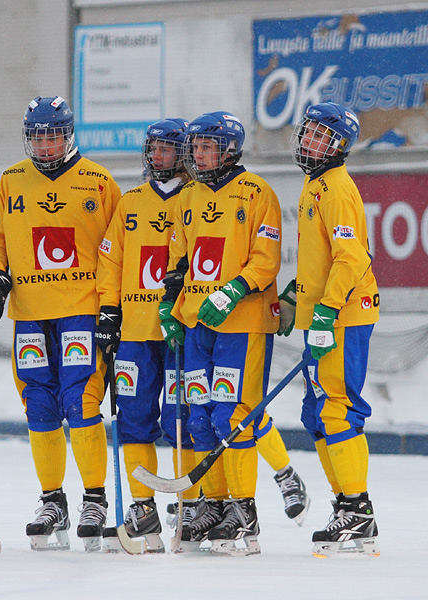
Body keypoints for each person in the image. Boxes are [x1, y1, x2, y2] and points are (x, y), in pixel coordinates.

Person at [0, 96, 121, 552]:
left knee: (81, 400)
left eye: (52, 135)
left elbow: (117, 248)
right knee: (38, 404)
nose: (44, 144)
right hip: (31, 314)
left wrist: (111, 307)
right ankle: (52, 499)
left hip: (80, 308)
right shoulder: (11, 180)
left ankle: (94, 498)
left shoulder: (99, 182)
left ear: (69, 134)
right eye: (37, 136)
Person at [159, 111, 305, 555]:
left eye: (206, 146)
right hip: (196, 322)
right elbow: (179, 260)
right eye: (195, 147)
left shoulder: (258, 193)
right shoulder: (188, 196)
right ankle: (216, 504)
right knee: (200, 417)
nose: (197, 154)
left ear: (228, 149)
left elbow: (265, 260)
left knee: (232, 415)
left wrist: (229, 293)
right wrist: (170, 303)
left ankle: (245, 512)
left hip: (241, 324)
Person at [280, 102, 379, 557]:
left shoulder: (336, 187)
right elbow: (320, 261)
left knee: (337, 409)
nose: (308, 141)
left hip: (344, 315)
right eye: (307, 133)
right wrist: (292, 297)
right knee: (316, 414)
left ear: (339, 145)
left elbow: (353, 258)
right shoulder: (313, 184)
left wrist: (326, 310)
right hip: (323, 313)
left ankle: (358, 512)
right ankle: (346, 505)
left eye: (320, 136)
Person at [95, 118, 195, 552]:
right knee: (134, 418)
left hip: (181, 330)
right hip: (135, 330)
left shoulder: (196, 199)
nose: (156, 156)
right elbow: (111, 263)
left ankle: (192, 506)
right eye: (152, 148)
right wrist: (109, 312)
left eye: (166, 149)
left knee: (184, 421)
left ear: (184, 154)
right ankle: (143, 508)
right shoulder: (130, 201)